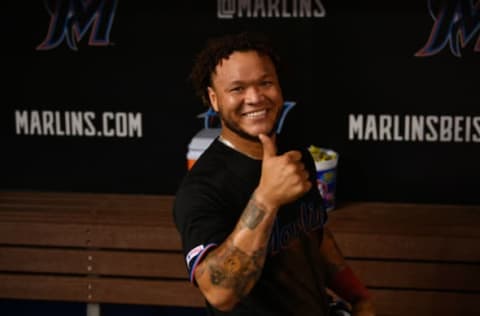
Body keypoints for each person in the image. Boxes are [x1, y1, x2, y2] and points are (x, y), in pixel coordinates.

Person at [173, 31, 375, 316]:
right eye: (237, 89)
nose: (255, 97)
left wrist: (358, 296)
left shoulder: (293, 155)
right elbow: (219, 292)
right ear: (214, 99)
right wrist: (267, 198)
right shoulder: (202, 188)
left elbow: (313, 235)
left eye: (265, 83)